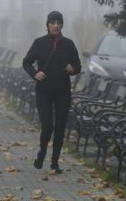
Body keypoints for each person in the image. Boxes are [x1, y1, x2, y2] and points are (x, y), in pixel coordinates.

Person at [21, 11, 81, 174]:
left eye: (58, 22)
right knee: (47, 127)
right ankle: (42, 153)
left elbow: (78, 65)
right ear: (47, 25)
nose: (55, 25)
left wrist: (73, 69)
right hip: (44, 91)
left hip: (63, 91)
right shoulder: (39, 43)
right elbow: (26, 62)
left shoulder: (68, 44)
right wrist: (35, 74)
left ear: (62, 25)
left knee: (60, 127)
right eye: (52, 22)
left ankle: (55, 162)